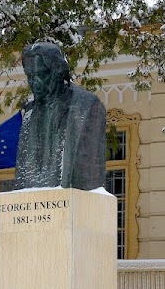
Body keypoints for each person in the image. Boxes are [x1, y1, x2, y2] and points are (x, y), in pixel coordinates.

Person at [13, 42, 107, 190]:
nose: (33, 82)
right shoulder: (29, 112)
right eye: (29, 76)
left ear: (57, 71)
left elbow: (90, 175)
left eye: (40, 75)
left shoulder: (86, 105)